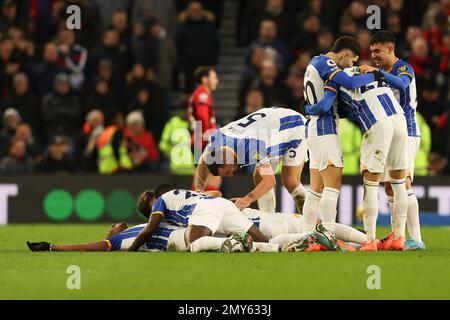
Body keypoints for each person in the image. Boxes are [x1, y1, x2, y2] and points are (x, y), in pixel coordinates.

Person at [305, 66, 408, 251]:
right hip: (400, 119)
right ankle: (400, 237)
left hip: (377, 122)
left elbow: (327, 106)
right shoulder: (372, 72)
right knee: (398, 183)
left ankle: (370, 240)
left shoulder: (336, 77)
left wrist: (307, 107)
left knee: (371, 185)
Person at [301, 36, 379, 238]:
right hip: (325, 129)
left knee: (316, 188)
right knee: (332, 185)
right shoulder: (326, 64)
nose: (351, 64)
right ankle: (328, 234)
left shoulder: (313, 63)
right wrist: (375, 76)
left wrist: (310, 108)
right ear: (344, 54)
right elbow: (351, 83)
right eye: (352, 60)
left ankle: (307, 233)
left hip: (313, 129)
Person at [360, 30, 425, 250]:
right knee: (390, 187)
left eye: (378, 51)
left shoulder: (403, 68)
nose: (374, 55)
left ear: (390, 49)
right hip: (391, 132)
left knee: (403, 184)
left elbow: (403, 85)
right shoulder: (379, 71)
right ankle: (397, 235)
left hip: (407, 130)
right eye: (371, 52)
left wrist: (378, 75)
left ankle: (415, 239)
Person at [196, 107, 308, 214]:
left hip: (293, 126)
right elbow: (203, 160)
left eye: (227, 172)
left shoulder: (252, 146)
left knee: (291, 182)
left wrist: (246, 199)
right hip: (271, 125)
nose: (230, 175)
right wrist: (199, 191)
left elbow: (270, 181)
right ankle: (268, 221)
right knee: (259, 177)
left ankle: (313, 225)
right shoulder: (217, 139)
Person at [127, 185, 269, 253]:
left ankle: (233, 242)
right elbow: (216, 193)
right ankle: (284, 245)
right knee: (264, 242)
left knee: (193, 245)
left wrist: (131, 249)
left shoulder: (161, 201)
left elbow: (150, 229)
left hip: (205, 211)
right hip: (223, 204)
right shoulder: (182, 193)